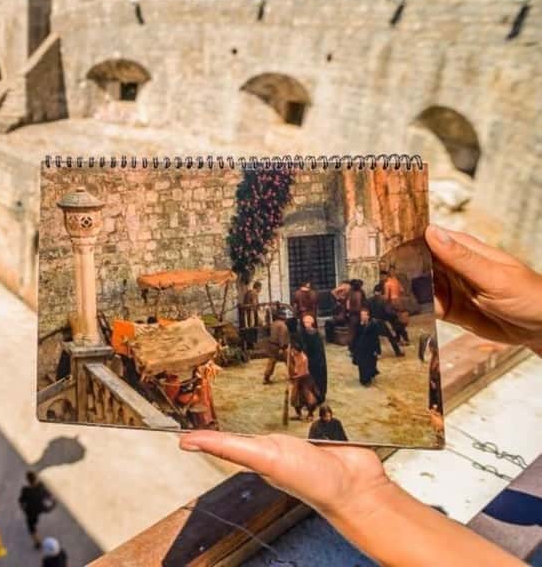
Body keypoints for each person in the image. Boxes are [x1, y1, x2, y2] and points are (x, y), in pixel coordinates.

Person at [178, 225, 542, 567]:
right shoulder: (311, 320)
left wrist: (359, 496)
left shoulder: (330, 317)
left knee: (334, 377)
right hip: (311, 368)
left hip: (319, 369)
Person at [18, 471, 54, 548]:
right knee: (35, 518)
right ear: (36, 479)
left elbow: (21, 501)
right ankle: (35, 522)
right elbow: (49, 495)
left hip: (31, 511)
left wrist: (23, 509)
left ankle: (37, 542)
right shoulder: (41, 486)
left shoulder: (25, 490)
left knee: (31, 526)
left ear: (28, 480)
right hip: (41, 508)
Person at [288, 336, 319, 420]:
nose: (293, 352)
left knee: (309, 398)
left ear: (299, 350)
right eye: (292, 350)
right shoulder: (292, 354)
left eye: (295, 350)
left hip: (305, 379)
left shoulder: (304, 358)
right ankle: (299, 414)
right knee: (295, 398)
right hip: (297, 378)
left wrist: (293, 377)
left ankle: (310, 414)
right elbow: (289, 355)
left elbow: (304, 372)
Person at [298, 313, 327, 403]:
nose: (306, 324)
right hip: (306, 361)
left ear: (312, 323)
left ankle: (318, 397)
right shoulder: (302, 333)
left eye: (308, 322)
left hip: (316, 361)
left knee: (317, 380)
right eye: (305, 322)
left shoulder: (316, 334)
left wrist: (315, 360)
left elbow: (319, 350)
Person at [354, 307, 382, 386]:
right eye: (361, 315)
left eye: (364, 315)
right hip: (361, 349)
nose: (362, 317)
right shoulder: (358, 324)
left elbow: (376, 339)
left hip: (370, 349)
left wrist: (377, 351)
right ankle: (364, 380)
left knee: (370, 364)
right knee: (362, 365)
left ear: (368, 316)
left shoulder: (373, 325)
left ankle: (369, 377)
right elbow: (356, 337)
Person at [263, 310, 289, 384]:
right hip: (278, 346)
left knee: (272, 361)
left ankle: (266, 377)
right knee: (289, 360)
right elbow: (282, 336)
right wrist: (282, 347)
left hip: (271, 345)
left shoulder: (273, 324)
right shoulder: (283, 325)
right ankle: (294, 375)